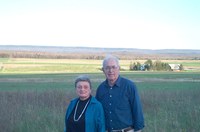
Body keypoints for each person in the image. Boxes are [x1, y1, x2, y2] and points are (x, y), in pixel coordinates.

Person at [96, 55, 144, 132]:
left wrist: (138, 130)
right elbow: (97, 113)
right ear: (103, 70)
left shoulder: (129, 86)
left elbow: (137, 110)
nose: (110, 70)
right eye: (107, 68)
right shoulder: (100, 89)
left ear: (118, 68)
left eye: (113, 67)